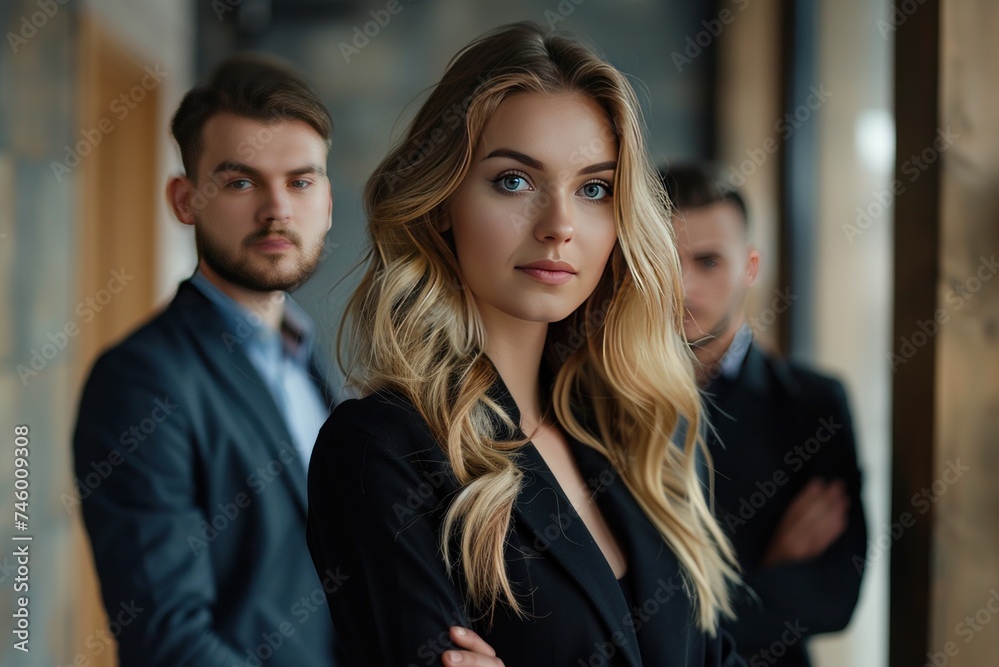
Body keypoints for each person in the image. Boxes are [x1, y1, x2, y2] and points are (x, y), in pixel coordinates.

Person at [307, 23, 745, 667]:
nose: (559, 225)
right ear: (441, 204)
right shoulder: (380, 449)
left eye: (593, 188)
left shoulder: (634, 433)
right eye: (514, 181)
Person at [72, 55, 344, 666]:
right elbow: (168, 640)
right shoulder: (140, 381)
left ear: (327, 202)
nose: (277, 209)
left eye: (301, 181)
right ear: (185, 199)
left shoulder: (305, 356)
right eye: (241, 181)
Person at [661, 163, 868, 666]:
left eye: (708, 261)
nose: (682, 285)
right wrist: (766, 574)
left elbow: (832, 596)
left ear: (751, 267)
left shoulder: (811, 403)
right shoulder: (592, 397)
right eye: (663, 259)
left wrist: (665, 630)